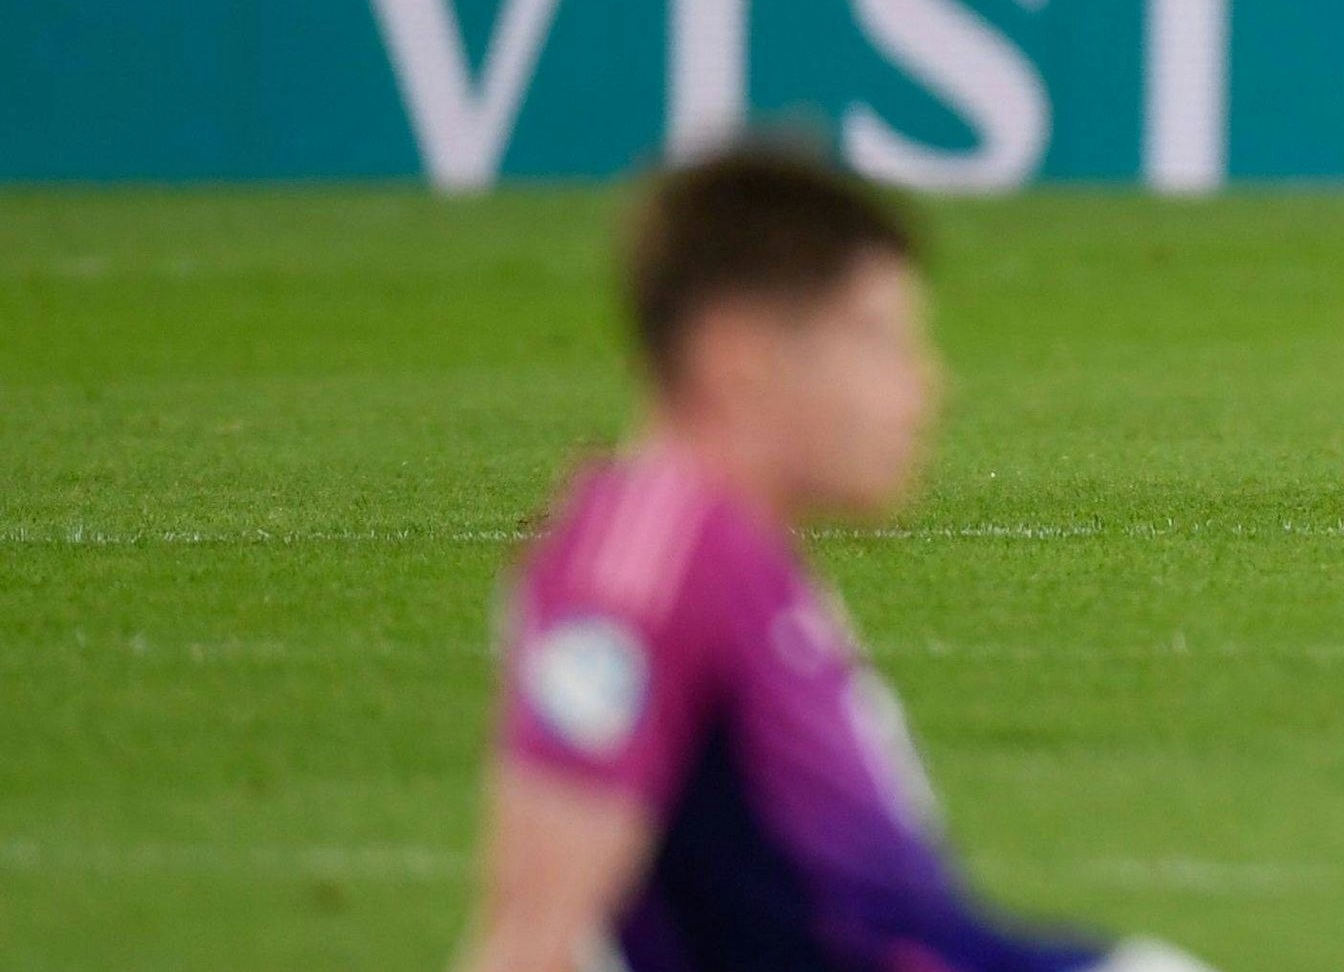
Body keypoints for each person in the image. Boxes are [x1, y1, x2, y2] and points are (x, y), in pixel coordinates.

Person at [453, 144, 1220, 972]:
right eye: (876, 339)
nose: (925, 385)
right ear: (737, 357)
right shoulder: (642, 564)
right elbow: (530, 939)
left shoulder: (725, 547)